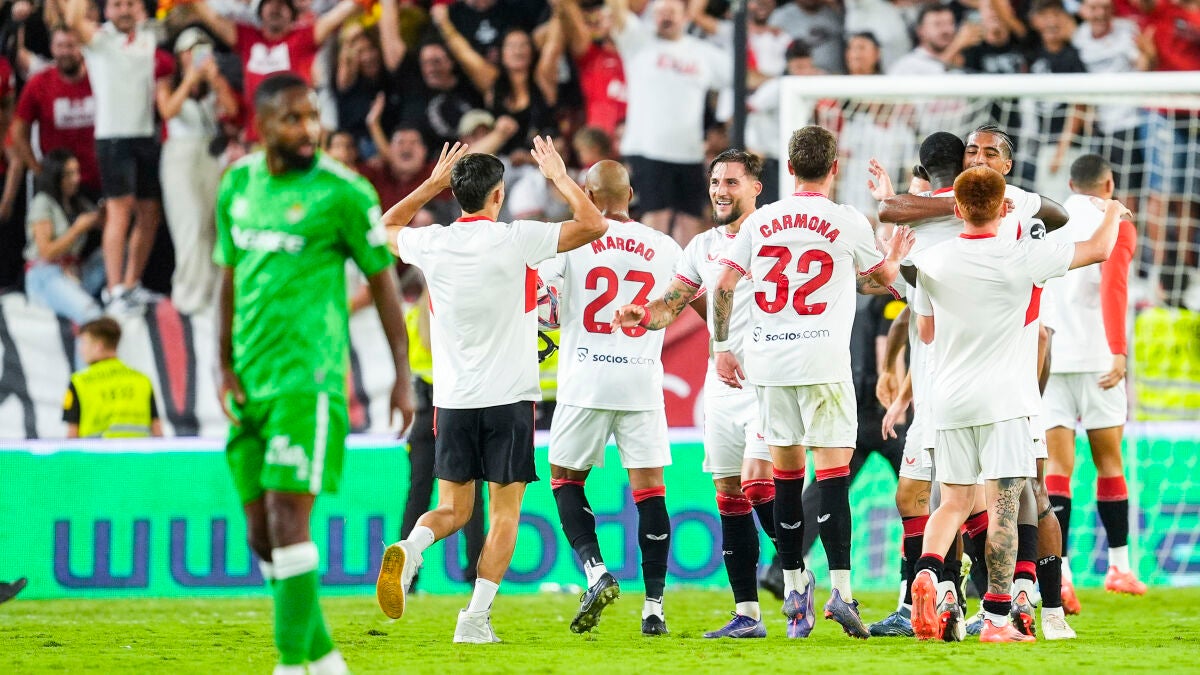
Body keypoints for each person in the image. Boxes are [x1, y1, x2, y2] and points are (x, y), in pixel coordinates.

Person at [214, 73, 415, 674]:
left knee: (287, 516)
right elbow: (228, 277)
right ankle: (326, 662)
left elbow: (383, 283)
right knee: (260, 534)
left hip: (309, 381)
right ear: (261, 125)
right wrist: (222, 364)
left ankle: (288, 663)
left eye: (313, 115)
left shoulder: (344, 192)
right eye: (293, 118)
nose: (309, 129)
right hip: (249, 379)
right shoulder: (237, 185)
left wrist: (402, 375)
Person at [374, 137, 608, 643]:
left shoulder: (432, 242)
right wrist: (559, 177)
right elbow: (594, 224)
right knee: (504, 516)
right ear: (499, 195)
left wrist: (429, 186)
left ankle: (413, 546)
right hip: (509, 400)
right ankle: (474, 619)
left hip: (453, 402)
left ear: (455, 193)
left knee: (453, 510)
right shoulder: (517, 238)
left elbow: (383, 228)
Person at [907, 165, 1126, 643]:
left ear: (958, 208)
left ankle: (926, 572)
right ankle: (997, 620)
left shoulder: (932, 260)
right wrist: (1112, 211)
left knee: (953, 502)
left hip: (948, 399)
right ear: (1005, 207)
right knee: (1004, 508)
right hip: (1004, 401)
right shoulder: (1024, 255)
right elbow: (1099, 249)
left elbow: (925, 331)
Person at [712, 126, 913, 639]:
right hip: (824, 363)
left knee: (786, 479)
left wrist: (721, 347)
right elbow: (883, 279)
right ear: (834, 168)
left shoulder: (761, 220)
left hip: (770, 364)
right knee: (832, 477)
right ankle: (841, 591)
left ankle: (795, 586)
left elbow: (725, 283)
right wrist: (892, 254)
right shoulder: (847, 220)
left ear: (789, 167)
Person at [612, 150, 781, 639]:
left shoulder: (774, 236)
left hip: (768, 380)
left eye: (731, 181)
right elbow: (672, 303)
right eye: (714, 181)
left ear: (755, 188)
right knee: (729, 494)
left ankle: (796, 570)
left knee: (758, 484)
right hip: (721, 386)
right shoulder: (701, 247)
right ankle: (748, 613)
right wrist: (644, 313)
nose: (720, 191)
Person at [538, 160, 681, 636]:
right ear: (631, 194)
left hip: (586, 379)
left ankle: (596, 570)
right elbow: (684, 302)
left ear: (587, 193)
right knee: (651, 491)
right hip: (641, 379)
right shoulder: (665, 246)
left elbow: (545, 309)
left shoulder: (572, 240)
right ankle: (654, 607)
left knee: (565, 479)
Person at [1043, 154, 1145, 606]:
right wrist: (1119, 350)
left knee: (1057, 470)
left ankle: (1061, 573)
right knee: (1109, 462)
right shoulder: (1115, 221)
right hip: (1099, 359)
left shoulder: (1045, 221)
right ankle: (1119, 567)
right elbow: (1113, 286)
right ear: (1109, 184)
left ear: (1070, 184)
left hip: (1051, 358)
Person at [63, 0, 171, 312]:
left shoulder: (149, 36)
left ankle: (131, 284)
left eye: (130, 4)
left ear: (140, 9)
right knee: (119, 212)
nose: (124, 10)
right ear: (107, 11)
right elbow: (72, 19)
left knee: (150, 213)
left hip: (145, 134)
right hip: (112, 137)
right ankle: (114, 290)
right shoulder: (99, 39)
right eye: (117, 4)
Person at [607, 0, 732, 244]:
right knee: (656, 220)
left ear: (686, 16)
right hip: (648, 149)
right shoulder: (638, 41)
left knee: (690, 221)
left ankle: (685, 270)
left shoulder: (703, 52)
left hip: (689, 152)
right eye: (660, 12)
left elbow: (739, 76)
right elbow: (617, 9)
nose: (665, 17)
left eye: (672, 12)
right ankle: (652, 268)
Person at [184, 0, 363, 140]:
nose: (275, 8)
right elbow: (213, 17)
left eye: (282, 4)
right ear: (260, 11)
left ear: (293, 15)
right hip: (258, 138)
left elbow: (339, 14)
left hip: (296, 137)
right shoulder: (246, 37)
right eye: (269, 3)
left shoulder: (304, 37)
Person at [156, 27, 238, 315]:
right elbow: (168, 111)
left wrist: (215, 80)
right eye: (192, 51)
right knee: (189, 225)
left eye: (203, 49)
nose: (198, 56)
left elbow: (232, 110)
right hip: (180, 156)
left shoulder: (214, 82)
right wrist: (189, 79)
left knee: (213, 224)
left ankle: (215, 294)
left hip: (211, 156)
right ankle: (189, 295)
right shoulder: (168, 83)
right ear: (181, 56)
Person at [11, 27, 98, 198]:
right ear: (52, 48)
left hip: (98, 180)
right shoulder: (38, 83)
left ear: (82, 47)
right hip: (57, 184)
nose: (65, 52)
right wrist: (37, 169)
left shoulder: (99, 79)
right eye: (60, 46)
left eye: (71, 46)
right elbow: (18, 131)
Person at [22, 148, 102, 327]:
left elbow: (103, 223)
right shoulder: (43, 202)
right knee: (92, 316)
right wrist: (77, 230)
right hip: (46, 274)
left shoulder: (77, 202)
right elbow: (46, 252)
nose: (76, 179)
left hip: (75, 272)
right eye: (69, 174)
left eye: (77, 172)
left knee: (113, 254)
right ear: (56, 176)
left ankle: (120, 294)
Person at [63, 317, 162, 438]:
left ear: (98, 346)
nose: (81, 350)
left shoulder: (79, 382)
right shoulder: (142, 380)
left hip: (97, 450)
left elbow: (72, 434)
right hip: (137, 450)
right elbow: (157, 430)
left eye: (84, 343)